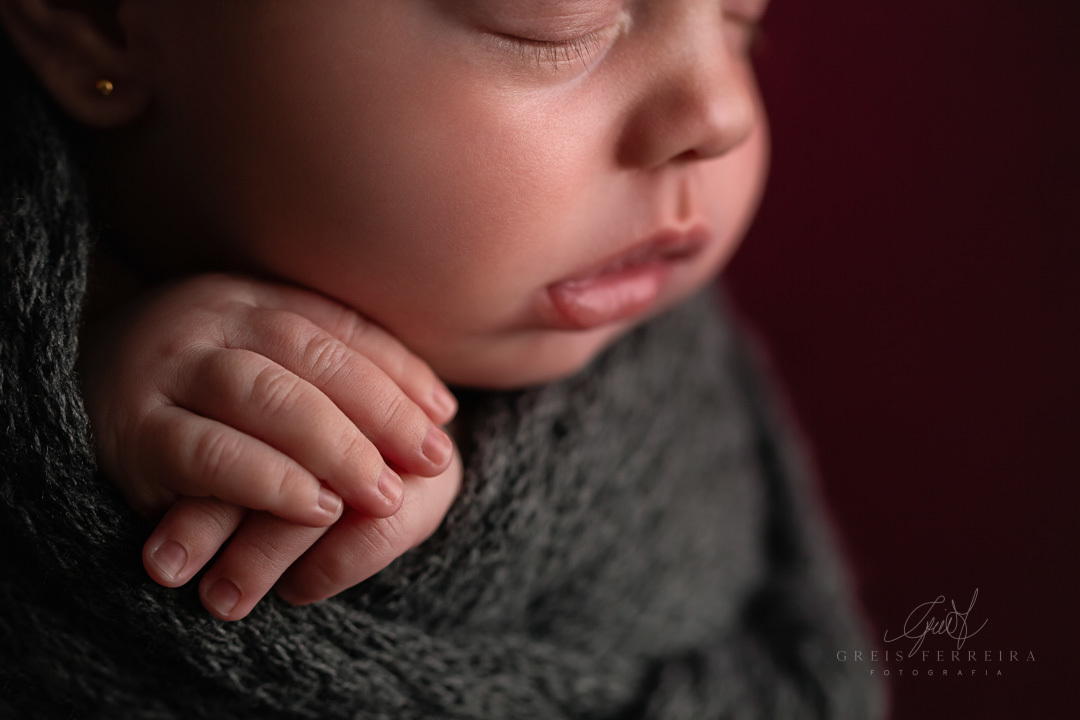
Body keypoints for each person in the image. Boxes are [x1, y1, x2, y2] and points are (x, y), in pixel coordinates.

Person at [0, 1, 884, 717]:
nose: (720, 114)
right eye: (557, 18)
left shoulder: (684, 397)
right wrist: (62, 415)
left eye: (745, 20)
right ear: (102, 22)